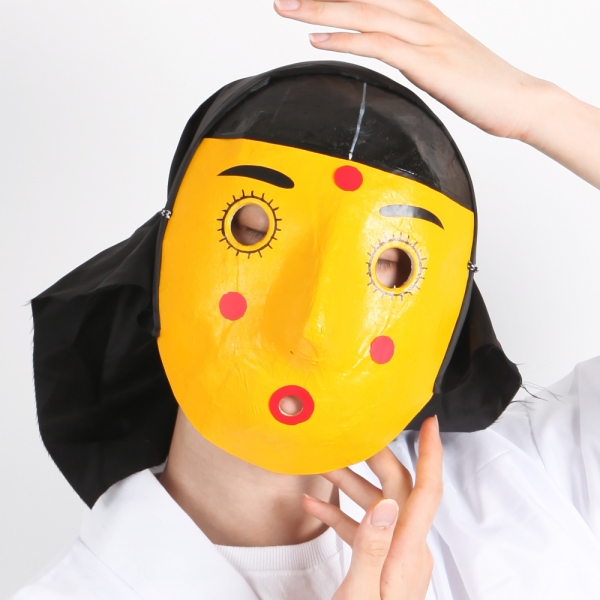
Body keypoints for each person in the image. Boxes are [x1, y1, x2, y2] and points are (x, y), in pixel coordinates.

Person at [12, 1, 600, 599]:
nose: (313, 326)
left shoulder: (531, 487)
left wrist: (541, 111)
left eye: (391, 265)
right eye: (252, 231)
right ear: (160, 263)